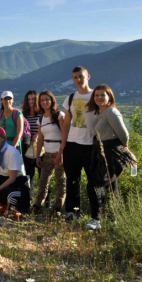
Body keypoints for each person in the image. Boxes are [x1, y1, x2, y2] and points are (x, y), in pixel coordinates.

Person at [83, 84, 132, 230]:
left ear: (109, 96)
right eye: (96, 95)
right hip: (102, 149)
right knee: (112, 187)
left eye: (102, 95)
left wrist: (125, 150)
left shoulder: (111, 112)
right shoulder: (101, 112)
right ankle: (112, 219)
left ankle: (96, 219)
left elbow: (124, 135)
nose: (99, 98)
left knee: (94, 184)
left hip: (112, 151)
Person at [57, 66, 97, 222]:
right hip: (72, 144)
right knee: (72, 180)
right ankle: (72, 212)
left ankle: (96, 216)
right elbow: (66, 123)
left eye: (81, 76)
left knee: (93, 182)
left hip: (90, 145)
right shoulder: (70, 98)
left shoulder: (96, 96)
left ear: (88, 76)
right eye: (75, 77)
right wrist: (63, 145)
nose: (78, 80)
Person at [32, 91, 66, 214]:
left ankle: (57, 208)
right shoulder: (41, 118)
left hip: (58, 152)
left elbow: (64, 135)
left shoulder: (59, 115)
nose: (44, 102)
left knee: (60, 182)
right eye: (42, 100)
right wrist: (37, 156)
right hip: (47, 153)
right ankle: (37, 206)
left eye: (47, 100)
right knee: (43, 181)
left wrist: (61, 153)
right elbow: (40, 138)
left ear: (52, 100)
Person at [21, 90, 41, 185]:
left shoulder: (42, 113)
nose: (31, 101)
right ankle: (28, 195)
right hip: (27, 146)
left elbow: (46, 127)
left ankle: (46, 198)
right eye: (29, 99)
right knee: (28, 173)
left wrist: (38, 134)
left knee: (42, 173)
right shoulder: (24, 114)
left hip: (40, 146)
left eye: (33, 99)